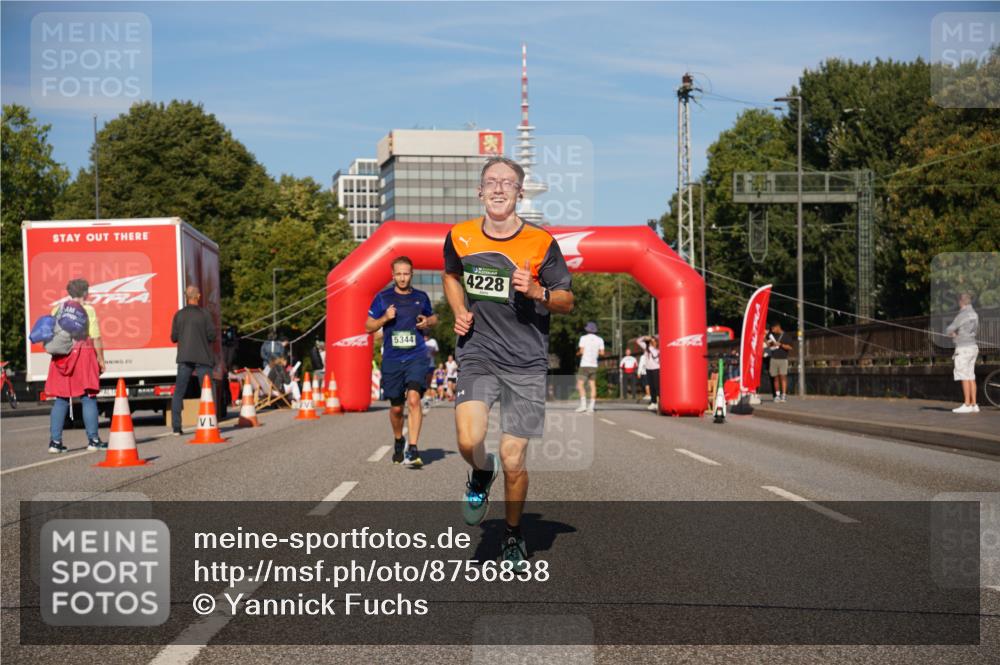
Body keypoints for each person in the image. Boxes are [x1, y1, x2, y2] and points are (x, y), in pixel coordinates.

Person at [443, 155, 574, 568]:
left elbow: (567, 300)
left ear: (520, 192)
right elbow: (450, 274)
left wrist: (538, 292)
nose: (499, 188)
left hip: (525, 361)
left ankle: (513, 535)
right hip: (478, 351)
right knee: (468, 440)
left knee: (515, 458)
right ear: (480, 191)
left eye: (508, 182)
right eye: (491, 181)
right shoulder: (460, 236)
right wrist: (458, 308)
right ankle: (482, 472)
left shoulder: (541, 243)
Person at [366, 256, 437, 466]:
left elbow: (433, 318)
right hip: (392, 358)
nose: (403, 278)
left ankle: (413, 449)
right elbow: (368, 326)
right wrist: (384, 319)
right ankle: (399, 440)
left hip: (416, 356)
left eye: (406, 273)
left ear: (411, 274)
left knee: (414, 400)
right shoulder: (383, 298)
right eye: (399, 274)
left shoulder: (421, 297)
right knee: (397, 407)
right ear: (393, 275)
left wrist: (428, 321)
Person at [45, 279, 106, 453]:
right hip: (84, 355)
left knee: (61, 399)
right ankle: (93, 440)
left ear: (69, 292)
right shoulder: (89, 310)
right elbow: (95, 337)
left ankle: (55, 443)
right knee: (88, 397)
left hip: (62, 357)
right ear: (85, 293)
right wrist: (101, 359)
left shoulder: (58, 309)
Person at [170, 285, 216, 435]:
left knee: (179, 392)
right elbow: (212, 336)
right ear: (199, 296)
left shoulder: (179, 315)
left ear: (186, 296)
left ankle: (177, 427)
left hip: (184, 357)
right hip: (203, 357)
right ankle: (210, 422)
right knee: (208, 391)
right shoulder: (205, 314)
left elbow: (174, 338)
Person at [946, 293, 980, 413]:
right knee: (971, 375)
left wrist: (954, 335)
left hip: (963, 348)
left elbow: (950, 329)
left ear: (961, 302)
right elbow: (975, 330)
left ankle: (967, 404)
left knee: (964, 375)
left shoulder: (962, 314)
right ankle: (974, 404)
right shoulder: (975, 314)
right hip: (973, 347)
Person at [575, 321, 605, 413]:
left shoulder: (583, 338)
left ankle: (583, 405)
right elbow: (602, 353)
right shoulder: (600, 340)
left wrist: (578, 353)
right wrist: (596, 352)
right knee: (592, 385)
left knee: (580, 385)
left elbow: (582, 351)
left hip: (584, 364)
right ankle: (591, 406)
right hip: (594, 364)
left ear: (587, 329)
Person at [766, 322, 794, 402]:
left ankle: (784, 395)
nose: (773, 330)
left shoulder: (786, 336)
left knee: (783, 377)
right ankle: (777, 395)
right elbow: (768, 342)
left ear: (778, 327)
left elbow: (790, 347)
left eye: (773, 329)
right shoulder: (772, 335)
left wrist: (780, 345)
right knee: (775, 377)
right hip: (773, 358)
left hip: (783, 359)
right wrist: (770, 344)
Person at [637, 335, 660, 411]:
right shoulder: (647, 347)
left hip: (656, 369)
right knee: (652, 386)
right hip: (649, 369)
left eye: (654, 341)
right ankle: (653, 402)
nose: (652, 342)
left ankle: (658, 402)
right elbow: (638, 341)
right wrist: (645, 337)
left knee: (657, 386)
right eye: (651, 341)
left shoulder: (658, 349)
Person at [421, 332, 439, 415]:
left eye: (427, 335)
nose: (425, 337)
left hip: (430, 365)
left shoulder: (433, 341)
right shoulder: (420, 340)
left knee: (427, 383)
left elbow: (436, 352)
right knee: (420, 383)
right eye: (424, 335)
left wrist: (431, 353)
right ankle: (421, 399)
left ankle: (426, 402)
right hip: (420, 365)